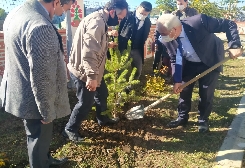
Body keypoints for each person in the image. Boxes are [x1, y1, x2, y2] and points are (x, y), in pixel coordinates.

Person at [1, 0, 74, 167]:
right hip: (36, 101)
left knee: (39, 138)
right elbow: (43, 78)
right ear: (56, 2)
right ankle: (41, 163)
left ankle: (46, 159)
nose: (62, 14)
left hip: (21, 91)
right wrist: (47, 111)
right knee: (38, 138)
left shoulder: (16, 13)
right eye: (64, 9)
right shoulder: (40, 26)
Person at [157, 14, 243, 133]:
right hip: (189, 62)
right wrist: (176, 80)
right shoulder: (167, 39)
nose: (163, 37)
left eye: (164, 34)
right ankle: (182, 117)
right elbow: (174, 58)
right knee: (184, 89)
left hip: (210, 60)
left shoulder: (199, 22)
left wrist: (234, 45)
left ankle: (203, 119)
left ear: (175, 29)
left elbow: (229, 24)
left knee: (206, 91)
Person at [63, 0, 128, 142]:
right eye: (119, 18)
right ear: (112, 12)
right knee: (85, 102)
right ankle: (70, 129)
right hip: (85, 71)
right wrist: (91, 77)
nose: (118, 22)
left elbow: (95, 43)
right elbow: (89, 52)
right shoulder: (97, 22)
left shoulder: (101, 20)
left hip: (93, 69)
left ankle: (102, 118)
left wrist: (107, 44)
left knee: (102, 93)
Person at [118, 1, 152, 80]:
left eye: (145, 14)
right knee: (122, 69)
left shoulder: (147, 22)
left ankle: (131, 86)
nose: (142, 15)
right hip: (124, 47)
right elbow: (119, 29)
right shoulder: (127, 16)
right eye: (141, 13)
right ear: (138, 8)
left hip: (137, 49)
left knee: (138, 69)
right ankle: (121, 88)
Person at [152, 10, 171, 75]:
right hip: (159, 44)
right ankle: (154, 71)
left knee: (165, 59)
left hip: (167, 45)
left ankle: (162, 72)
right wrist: (156, 43)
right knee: (156, 58)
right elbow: (156, 34)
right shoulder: (159, 23)